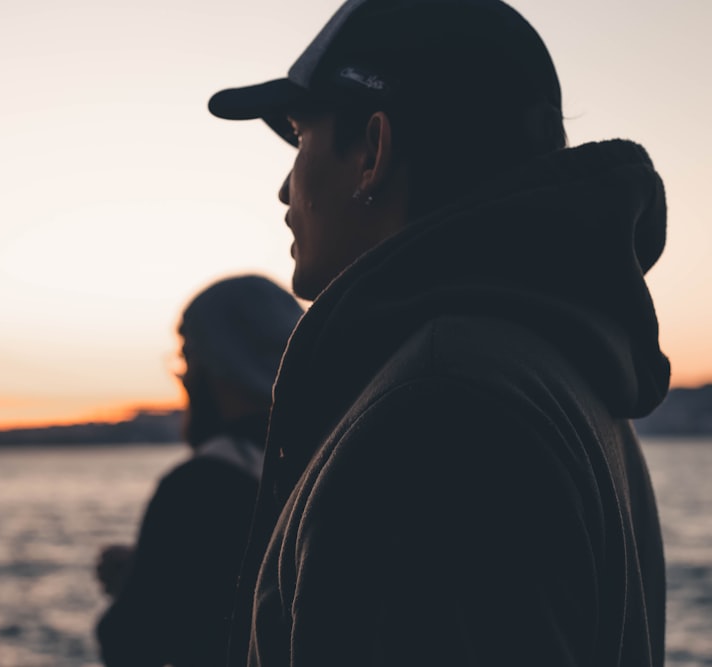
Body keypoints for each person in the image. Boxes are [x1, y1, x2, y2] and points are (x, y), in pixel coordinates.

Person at [207, 1, 669, 665]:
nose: (285, 188)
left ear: (372, 151)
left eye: (302, 136)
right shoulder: (561, 379)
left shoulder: (434, 412)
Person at [94, 275, 304, 667]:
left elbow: (131, 643)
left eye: (188, 357)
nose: (183, 376)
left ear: (220, 366)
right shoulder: (328, 452)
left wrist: (140, 585)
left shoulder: (197, 489)